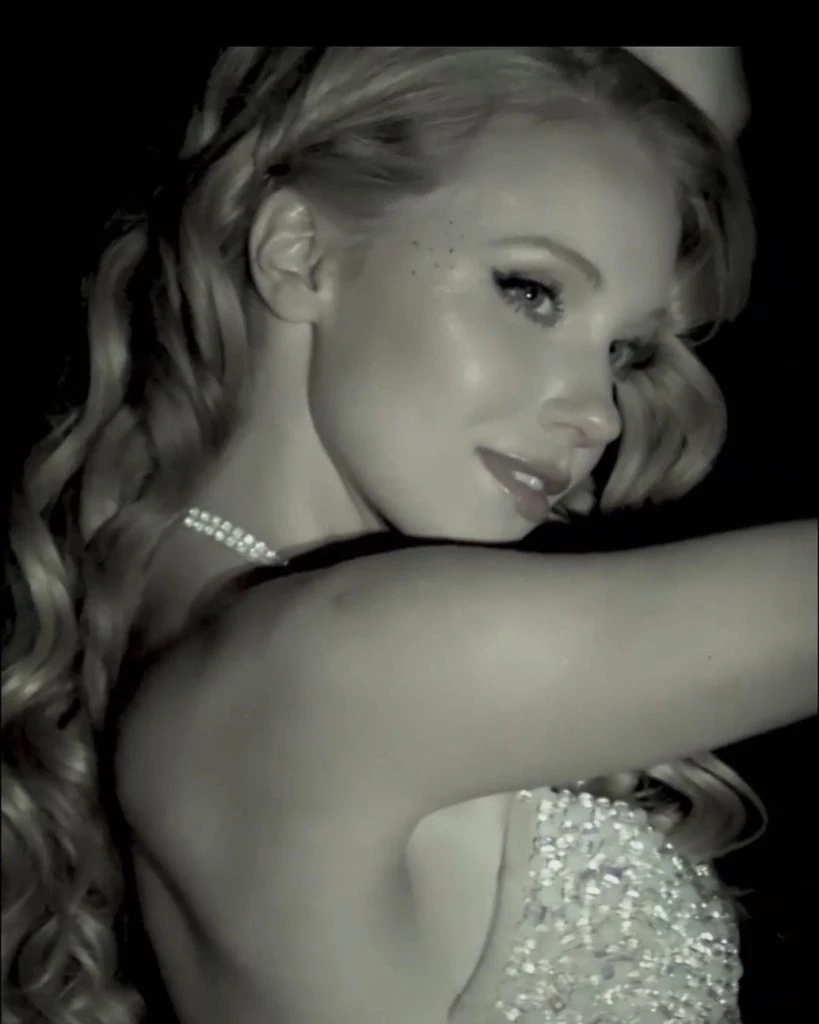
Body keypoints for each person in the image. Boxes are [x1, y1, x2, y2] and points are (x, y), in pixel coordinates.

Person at [2, 46, 815, 1024]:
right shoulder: (337, 661)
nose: (599, 414)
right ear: (299, 251)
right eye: (530, 291)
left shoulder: (228, 638)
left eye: (622, 351)